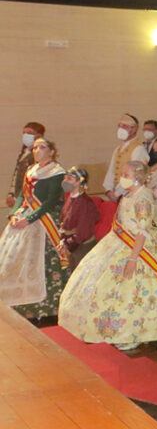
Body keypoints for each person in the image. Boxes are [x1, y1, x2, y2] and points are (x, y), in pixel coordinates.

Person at [59, 161, 157, 351]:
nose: (122, 178)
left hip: (137, 248)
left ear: (138, 177)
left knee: (124, 290)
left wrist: (133, 259)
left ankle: (130, 334)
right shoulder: (128, 195)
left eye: (126, 175)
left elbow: (142, 232)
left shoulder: (143, 199)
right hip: (118, 242)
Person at [0, 138, 66, 321]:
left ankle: (44, 308)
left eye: (42, 147)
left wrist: (29, 219)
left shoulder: (57, 172)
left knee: (42, 261)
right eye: (35, 147)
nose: (37, 150)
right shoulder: (31, 170)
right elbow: (22, 196)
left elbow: (50, 201)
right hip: (24, 216)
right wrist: (13, 215)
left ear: (51, 152)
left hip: (45, 219)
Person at [55, 167, 100, 273]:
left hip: (82, 246)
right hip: (73, 244)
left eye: (69, 179)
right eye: (65, 178)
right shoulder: (70, 198)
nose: (65, 181)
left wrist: (69, 245)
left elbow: (83, 231)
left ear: (79, 181)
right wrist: (63, 240)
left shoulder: (85, 202)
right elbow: (64, 222)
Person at [103, 114, 149, 201]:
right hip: (116, 195)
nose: (121, 129)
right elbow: (111, 171)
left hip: (130, 195)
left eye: (124, 126)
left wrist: (117, 193)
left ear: (134, 129)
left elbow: (135, 175)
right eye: (119, 126)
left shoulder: (139, 149)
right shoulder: (118, 149)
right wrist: (108, 189)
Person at [7, 121, 45, 207]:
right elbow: (17, 175)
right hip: (19, 196)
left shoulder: (39, 155)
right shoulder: (24, 153)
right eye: (24, 133)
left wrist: (18, 198)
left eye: (30, 133)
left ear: (39, 136)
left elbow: (33, 180)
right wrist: (11, 194)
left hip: (30, 199)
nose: (26, 135)